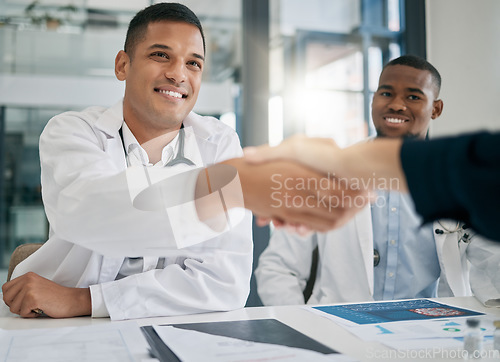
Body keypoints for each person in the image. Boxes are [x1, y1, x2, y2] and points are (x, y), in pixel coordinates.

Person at [1, 2, 347, 320]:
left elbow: (224, 282)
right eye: (160, 55)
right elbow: (92, 211)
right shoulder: (72, 132)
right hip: (59, 331)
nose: (178, 74)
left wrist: (83, 300)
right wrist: (228, 193)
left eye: (193, 63)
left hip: (167, 332)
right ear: (123, 65)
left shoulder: (220, 142)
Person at [254, 55, 500, 307]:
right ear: (373, 100)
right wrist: (304, 328)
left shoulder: (458, 178)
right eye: (386, 93)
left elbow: (494, 260)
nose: (396, 105)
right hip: (338, 327)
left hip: (428, 328)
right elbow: (278, 267)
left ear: (436, 109)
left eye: (413, 97)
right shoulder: (327, 171)